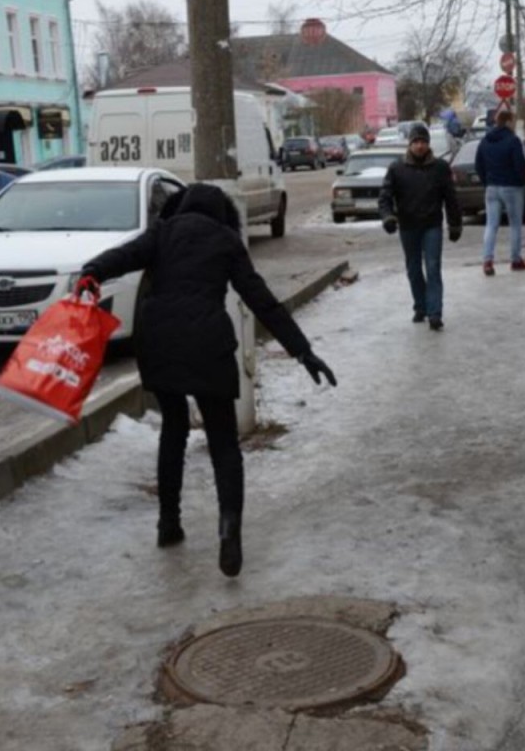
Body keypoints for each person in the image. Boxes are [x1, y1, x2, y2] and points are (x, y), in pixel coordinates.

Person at [80, 183, 335, 578]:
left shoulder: (163, 233)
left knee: (173, 429)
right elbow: (259, 298)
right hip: (207, 346)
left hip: (160, 342)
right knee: (223, 442)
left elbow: (123, 256)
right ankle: (229, 528)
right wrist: (302, 350)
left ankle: (169, 523)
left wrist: (92, 271)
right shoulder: (226, 241)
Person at [378, 122, 463, 331]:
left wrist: (455, 224)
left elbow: (450, 198)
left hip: (432, 225)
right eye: (415, 141)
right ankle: (421, 306)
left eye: (423, 141)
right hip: (408, 227)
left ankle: (435, 313)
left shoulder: (440, 168)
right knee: (414, 269)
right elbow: (385, 197)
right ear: (409, 144)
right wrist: (388, 217)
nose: (419, 146)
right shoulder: (397, 168)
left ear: (428, 144)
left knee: (433, 267)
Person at [474, 109, 525, 276]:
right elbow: (519, 166)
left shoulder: (485, 141)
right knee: (515, 225)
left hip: (491, 187)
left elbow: (479, 165)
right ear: (507, 122)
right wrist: (521, 183)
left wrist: (487, 182)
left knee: (491, 225)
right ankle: (515, 260)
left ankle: (487, 261)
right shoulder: (513, 141)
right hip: (512, 187)